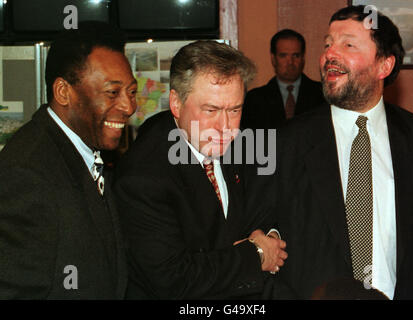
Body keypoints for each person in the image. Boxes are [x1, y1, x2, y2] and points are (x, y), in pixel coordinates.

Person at [271, 6, 413, 299]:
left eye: (347, 44)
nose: (329, 55)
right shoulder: (287, 142)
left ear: (383, 66)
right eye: (327, 44)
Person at [113, 40, 288, 299]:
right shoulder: (143, 177)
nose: (225, 126)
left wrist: (269, 237)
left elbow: (266, 209)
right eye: (211, 110)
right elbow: (174, 279)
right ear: (176, 103)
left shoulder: (239, 143)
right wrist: (256, 255)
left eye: (235, 109)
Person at [0, 21, 137, 298]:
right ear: (64, 92)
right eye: (112, 92)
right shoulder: (27, 171)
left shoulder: (83, 148)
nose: (128, 106)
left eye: (131, 92)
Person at [241, 29, 325, 129]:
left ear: (303, 58)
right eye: (283, 56)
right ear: (273, 59)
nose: (290, 62)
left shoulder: (322, 94)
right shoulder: (254, 100)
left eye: (296, 55)